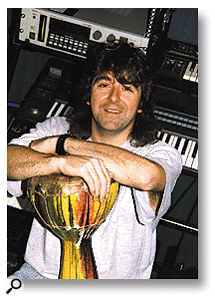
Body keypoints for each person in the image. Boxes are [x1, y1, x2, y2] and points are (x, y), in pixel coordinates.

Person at [7, 42, 182, 279]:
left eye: (127, 88)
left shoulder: (159, 153)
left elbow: (147, 177)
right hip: (41, 276)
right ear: (88, 95)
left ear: (141, 103)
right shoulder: (57, 127)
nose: (113, 98)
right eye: (104, 84)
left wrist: (64, 146)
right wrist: (58, 162)